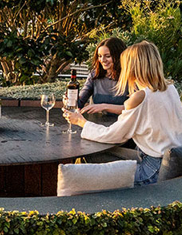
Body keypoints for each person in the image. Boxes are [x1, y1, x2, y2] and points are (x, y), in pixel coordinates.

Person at [64, 40, 182, 185]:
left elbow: (114, 135)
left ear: (133, 67)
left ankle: (80, 204)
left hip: (151, 170)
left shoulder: (140, 97)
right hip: (162, 160)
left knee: (84, 171)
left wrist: (81, 122)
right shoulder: (170, 89)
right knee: (91, 156)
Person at [78, 37, 129, 116]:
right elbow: (80, 102)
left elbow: (134, 109)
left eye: (107, 56)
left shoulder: (130, 78)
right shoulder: (94, 75)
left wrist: (104, 107)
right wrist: (70, 101)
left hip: (124, 125)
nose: (102, 60)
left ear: (119, 56)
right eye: (99, 56)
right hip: (98, 125)